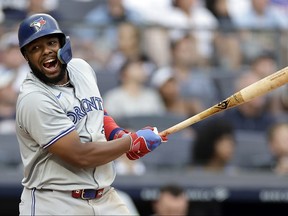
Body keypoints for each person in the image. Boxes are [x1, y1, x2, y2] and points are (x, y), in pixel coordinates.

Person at [16, 13, 167, 215]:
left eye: (51, 42)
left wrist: (118, 135)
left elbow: (97, 113)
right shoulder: (33, 98)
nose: (46, 51)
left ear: (63, 44)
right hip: (55, 202)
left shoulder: (82, 68)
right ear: (26, 56)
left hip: (104, 196)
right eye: (35, 48)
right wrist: (130, 142)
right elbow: (80, 155)